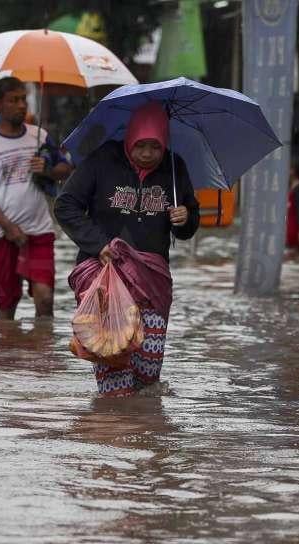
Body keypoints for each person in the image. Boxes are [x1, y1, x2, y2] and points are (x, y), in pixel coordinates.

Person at [54, 101, 200, 397]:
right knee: (113, 358)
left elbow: (186, 228)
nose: (147, 154)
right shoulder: (101, 161)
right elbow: (65, 206)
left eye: (155, 147)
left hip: (152, 281)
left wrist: (185, 217)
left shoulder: (174, 168)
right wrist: (99, 245)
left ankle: (143, 430)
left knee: (148, 371)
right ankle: (112, 432)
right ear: (130, 138)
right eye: (141, 146)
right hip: (102, 276)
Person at [0, 77, 72, 321]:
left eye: (23, 99)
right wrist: (8, 227)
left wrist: (47, 169)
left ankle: (42, 355)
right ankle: (6, 356)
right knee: (7, 304)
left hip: (40, 231)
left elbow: (65, 169)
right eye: (13, 100)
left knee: (45, 299)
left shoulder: (40, 136)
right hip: (3, 235)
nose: (21, 105)